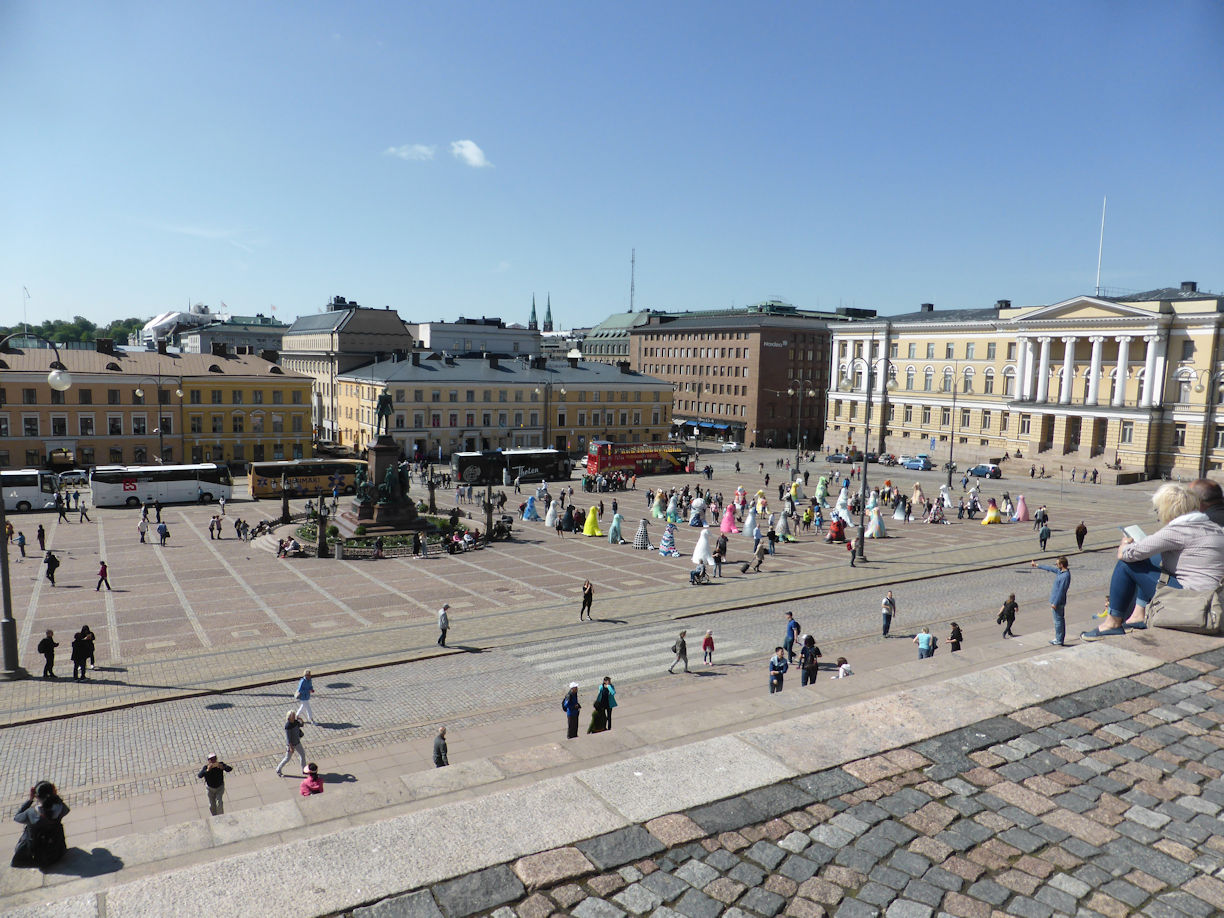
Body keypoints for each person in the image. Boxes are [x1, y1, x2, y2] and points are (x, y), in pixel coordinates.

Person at [1082, 482, 1224, 640]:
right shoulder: (1213, 527)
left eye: (1158, 509)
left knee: (1127, 565)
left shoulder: (1177, 531)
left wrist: (1124, 545)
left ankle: (1112, 623)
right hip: (1215, 599)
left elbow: (1127, 555)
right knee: (1153, 558)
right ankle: (1138, 615)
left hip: (1192, 602)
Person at [10, 781, 69, 869]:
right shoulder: (60, 808)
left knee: (28, 830)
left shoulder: (31, 813)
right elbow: (66, 809)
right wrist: (55, 795)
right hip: (57, 853)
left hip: (38, 857)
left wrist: (30, 800)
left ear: (36, 796)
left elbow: (17, 817)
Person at [1031, 556, 1071, 646]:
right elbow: (1050, 568)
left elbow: (1061, 591)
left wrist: (1055, 603)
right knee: (1058, 621)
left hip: (1058, 602)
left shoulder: (1065, 576)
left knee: (1058, 622)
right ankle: (1058, 638)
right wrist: (1037, 565)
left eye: (1057, 564)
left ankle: (1059, 639)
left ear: (1061, 564)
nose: (1056, 565)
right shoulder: (1060, 572)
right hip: (1056, 601)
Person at [275, 711, 307, 776]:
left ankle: (304, 770)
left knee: (302, 755)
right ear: (289, 717)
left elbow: (302, 725)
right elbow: (288, 738)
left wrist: (301, 719)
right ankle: (278, 769)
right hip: (291, 745)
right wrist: (291, 747)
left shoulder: (295, 722)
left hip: (297, 742)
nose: (293, 717)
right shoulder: (288, 726)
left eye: (294, 715)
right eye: (292, 716)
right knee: (287, 758)